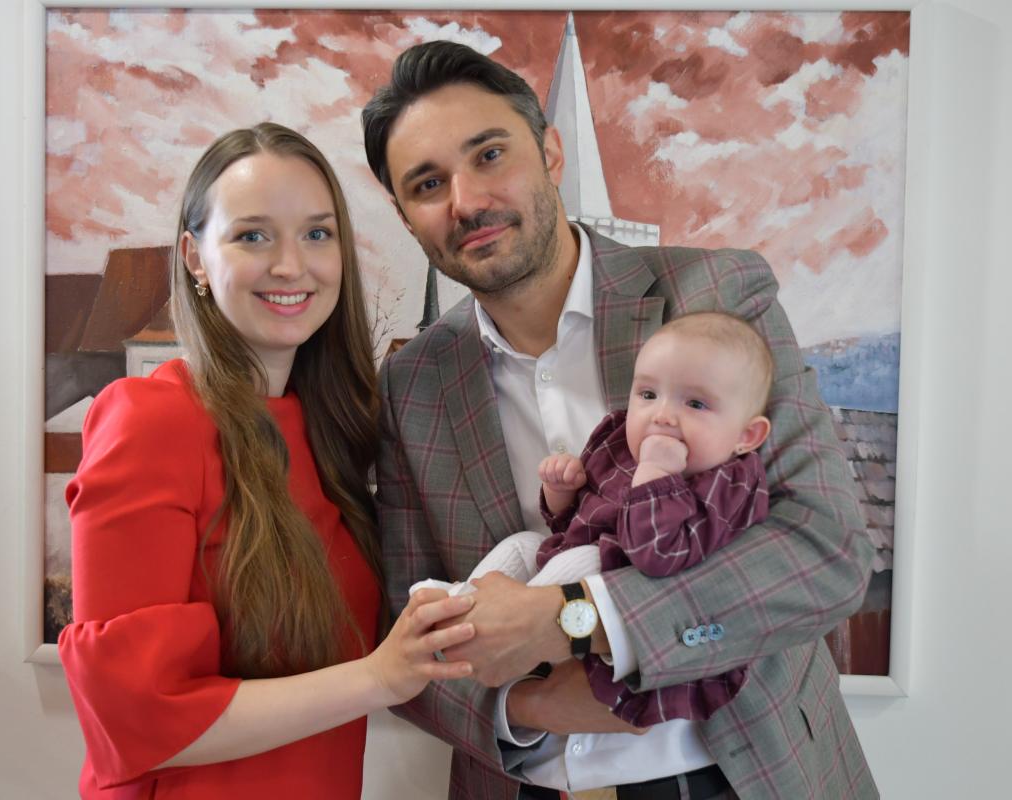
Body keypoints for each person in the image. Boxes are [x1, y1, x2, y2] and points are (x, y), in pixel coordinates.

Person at [364, 41, 879, 800]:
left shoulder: (716, 295)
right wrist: (526, 706)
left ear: (550, 152)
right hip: (527, 781)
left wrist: (578, 618)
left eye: (490, 154)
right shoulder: (411, 386)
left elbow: (826, 550)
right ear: (405, 215)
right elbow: (406, 630)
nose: (465, 201)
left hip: (742, 773)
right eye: (428, 183)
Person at [57, 122, 476, 799]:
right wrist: (379, 676)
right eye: (253, 236)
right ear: (195, 257)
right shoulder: (151, 420)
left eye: (317, 234)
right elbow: (135, 718)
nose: (290, 265)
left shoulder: (332, 431)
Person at [414, 311, 774, 728]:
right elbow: (570, 524)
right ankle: (462, 607)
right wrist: (562, 491)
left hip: (629, 598)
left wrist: (656, 476)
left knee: (582, 560)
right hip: (576, 564)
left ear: (746, 436)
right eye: (648, 394)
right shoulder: (620, 443)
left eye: (695, 404)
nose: (661, 415)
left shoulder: (728, 484)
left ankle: (507, 634)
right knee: (524, 544)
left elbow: (657, 554)